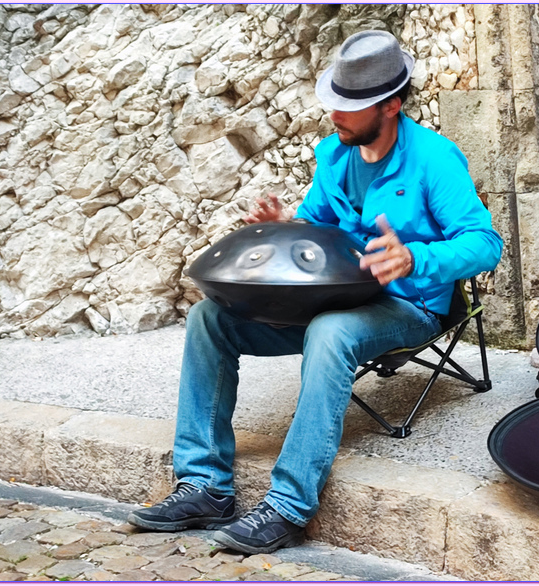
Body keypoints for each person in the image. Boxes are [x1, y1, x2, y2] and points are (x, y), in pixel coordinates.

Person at [127, 30, 503, 554]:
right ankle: (205, 484)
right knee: (208, 319)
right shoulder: (333, 156)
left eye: (350, 106)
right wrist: (288, 229)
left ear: (391, 105)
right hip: (336, 295)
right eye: (335, 102)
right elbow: (318, 235)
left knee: (330, 331)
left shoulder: (436, 160)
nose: (335, 115)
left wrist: (417, 256)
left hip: (407, 304)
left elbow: (486, 244)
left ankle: (288, 505)